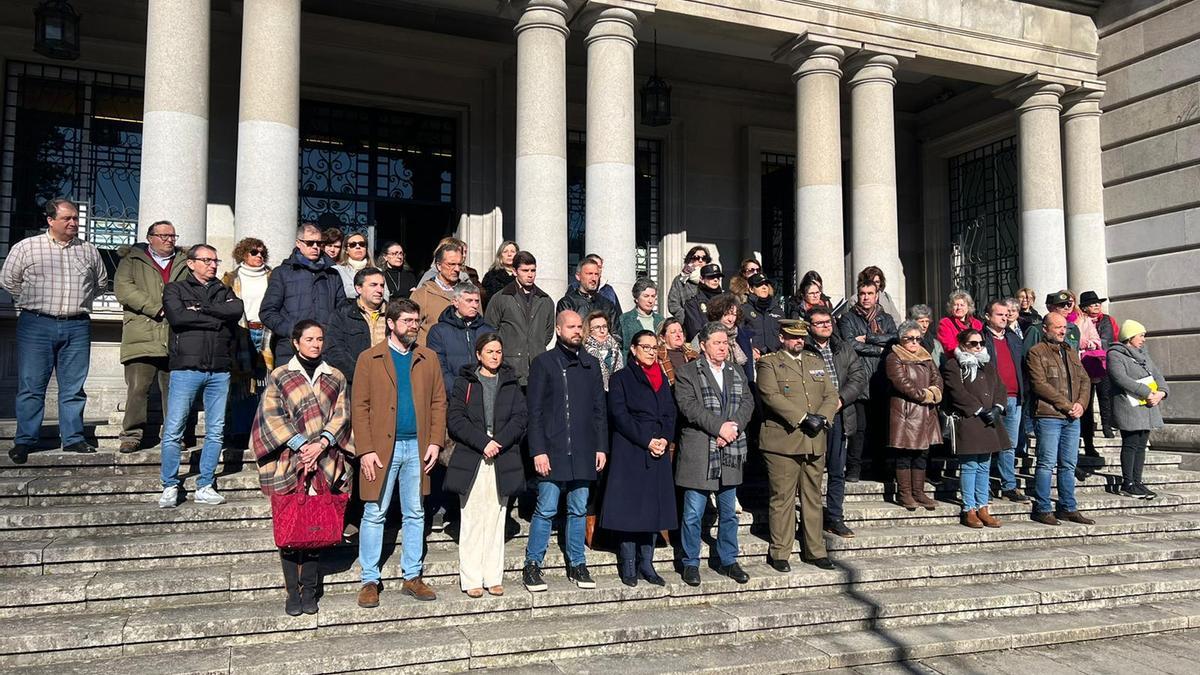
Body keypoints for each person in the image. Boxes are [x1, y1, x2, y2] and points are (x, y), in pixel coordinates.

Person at [250, 320, 354, 616]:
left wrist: (320, 444)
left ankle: (309, 590)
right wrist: (300, 445)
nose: (315, 344)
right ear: (296, 343)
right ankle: (291, 592)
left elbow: (341, 415)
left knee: (314, 527)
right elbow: (271, 414)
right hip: (288, 461)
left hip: (324, 461)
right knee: (290, 526)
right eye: (309, 339)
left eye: (319, 339)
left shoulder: (335, 376)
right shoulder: (281, 376)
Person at [352, 297, 446, 607]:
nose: (414, 327)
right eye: (407, 321)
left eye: (416, 321)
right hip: (381, 448)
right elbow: (360, 406)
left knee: (416, 512)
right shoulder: (369, 358)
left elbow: (438, 402)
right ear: (391, 323)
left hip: (417, 447)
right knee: (375, 511)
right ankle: (369, 579)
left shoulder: (427, 357)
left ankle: (412, 576)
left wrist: (435, 441)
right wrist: (365, 449)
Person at [2, 198, 107, 463]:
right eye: (67, 219)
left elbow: (101, 284)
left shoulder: (89, 251)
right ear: (50, 220)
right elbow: (8, 280)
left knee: (73, 386)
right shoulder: (27, 247)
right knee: (31, 385)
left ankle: (73, 438)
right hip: (36, 323)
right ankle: (25, 440)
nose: (73, 223)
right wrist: (32, 301)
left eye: (75, 218)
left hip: (77, 324)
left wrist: (77, 302)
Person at [522, 310, 608, 592]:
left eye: (579, 326)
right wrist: (538, 450)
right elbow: (533, 412)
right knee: (546, 508)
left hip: (583, 450)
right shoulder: (544, 363)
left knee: (578, 508)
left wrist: (601, 447)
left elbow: (599, 411)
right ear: (558, 329)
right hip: (552, 449)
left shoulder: (591, 364)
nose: (577, 331)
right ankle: (533, 564)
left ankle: (577, 563)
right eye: (570, 326)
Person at [158, 244, 245, 508]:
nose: (212, 265)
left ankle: (205, 483)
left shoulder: (224, 289)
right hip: (186, 367)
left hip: (219, 369)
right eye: (206, 260)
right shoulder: (176, 289)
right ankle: (170, 485)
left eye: (215, 260)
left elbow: (236, 311)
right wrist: (215, 315)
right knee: (174, 429)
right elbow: (178, 317)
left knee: (216, 431)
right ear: (191, 263)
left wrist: (201, 310)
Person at [445, 333, 528, 597]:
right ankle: (471, 578)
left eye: (499, 351)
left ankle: (493, 576)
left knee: (496, 516)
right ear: (478, 354)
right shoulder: (465, 382)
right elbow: (456, 419)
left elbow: (520, 418)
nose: (495, 356)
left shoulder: (511, 383)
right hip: (473, 455)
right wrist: (483, 442)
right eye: (490, 351)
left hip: (502, 456)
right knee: (471, 515)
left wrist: (498, 442)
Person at [673, 322, 756, 586]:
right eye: (717, 342)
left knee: (729, 512)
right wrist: (718, 427)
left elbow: (747, 402)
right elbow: (689, 407)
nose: (722, 347)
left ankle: (728, 559)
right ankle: (689, 562)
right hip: (700, 449)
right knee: (693, 512)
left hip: (730, 448)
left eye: (725, 343)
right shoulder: (687, 372)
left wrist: (732, 428)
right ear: (704, 345)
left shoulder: (736, 371)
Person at [757, 319, 840, 571]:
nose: (798, 341)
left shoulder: (815, 362)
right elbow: (770, 395)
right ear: (781, 337)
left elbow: (831, 394)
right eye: (793, 337)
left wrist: (824, 417)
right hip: (784, 440)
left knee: (813, 497)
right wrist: (803, 418)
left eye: (801, 337)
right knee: (782, 497)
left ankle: (815, 550)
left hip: (814, 440)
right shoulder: (769, 362)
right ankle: (780, 551)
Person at [601, 330, 677, 586]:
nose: (651, 351)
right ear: (633, 349)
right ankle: (629, 564)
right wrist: (646, 440)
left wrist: (665, 439)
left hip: (658, 449)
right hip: (631, 450)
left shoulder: (662, 379)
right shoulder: (621, 378)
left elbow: (669, 412)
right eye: (645, 347)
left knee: (653, 510)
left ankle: (648, 563)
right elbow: (619, 415)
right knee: (630, 510)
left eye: (654, 347)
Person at [113, 220, 189, 454]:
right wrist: (157, 307)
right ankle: (132, 435)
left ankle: (174, 435)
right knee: (138, 387)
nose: (169, 240)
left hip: (175, 333)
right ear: (150, 238)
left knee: (174, 389)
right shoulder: (131, 260)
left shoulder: (185, 262)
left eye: (172, 236)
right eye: (163, 235)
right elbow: (123, 290)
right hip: (142, 332)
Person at [803, 306, 868, 539]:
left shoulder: (843, 347)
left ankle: (835, 517)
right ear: (810, 327)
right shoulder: (804, 348)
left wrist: (841, 400)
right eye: (819, 323)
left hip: (840, 414)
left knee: (837, 470)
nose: (825, 326)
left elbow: (858, 375)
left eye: (828, 322)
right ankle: (811, 519)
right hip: (813, 417)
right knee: (812, 470)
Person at [1026, 312, 1094, 526]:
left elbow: (1085, 380)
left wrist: (1081, 405)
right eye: (1057, 327)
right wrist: (1066, 405)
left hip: (1072, 417)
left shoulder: (1071, 352)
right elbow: (1039, 384)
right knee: (1046, 463)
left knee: (1068, 463)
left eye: (1064, 327)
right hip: (1049, 415)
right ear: (1045, 329)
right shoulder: (1036, 352)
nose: (1063, 331)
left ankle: (1068, 507)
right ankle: (1043, 508)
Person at [942, 328, 1009, 528]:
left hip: (989, 421)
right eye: (973, 343)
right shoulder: (954, 365)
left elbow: (1000, 388)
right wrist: (979, 410)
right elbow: (957, 392)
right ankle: (968, 508)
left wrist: (997, 408)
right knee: (970, 466)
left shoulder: (987, 364)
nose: (978, 347)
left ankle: (983, 507)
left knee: (984, 466)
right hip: (970, 420)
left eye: (980, 343)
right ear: (963, 344)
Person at [837, 280, 898, 482]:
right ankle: (854, 468)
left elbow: (894, 340)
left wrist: (869, 337)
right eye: (862, 293)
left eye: (870, 293)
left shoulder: (886, 318)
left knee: (881, 426)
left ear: (877, 295)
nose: (866, 297)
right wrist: (879, 348)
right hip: (859, 378)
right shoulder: (848, 318)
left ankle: (881, 467)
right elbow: (850, 343)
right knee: (859, 428)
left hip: (881, 379)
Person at [260, 223, 343, 364]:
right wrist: (293, 331)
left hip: (325, 349)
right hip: (290, 349)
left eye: (320, 243)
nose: (316, 247)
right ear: (299, 243)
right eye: (310, 243)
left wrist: (330, 334)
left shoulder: (333, 274)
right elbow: (267, 312)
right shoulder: (282, 273)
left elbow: (341, 310)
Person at [1107, 320, 1169, 500]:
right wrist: (1147, 392)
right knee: (1131, 443)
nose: (1144, 339)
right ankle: (1128, 483)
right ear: (1130, 336)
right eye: (1141, 335)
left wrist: (1162, 393)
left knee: (1141, 444)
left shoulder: (1143, 354)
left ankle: (1137, 481)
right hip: (1129, 405)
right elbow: (1120, 378)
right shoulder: (1115, 354)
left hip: (1147, 405)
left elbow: (1157, 375)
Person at [886, 320, 943, 511]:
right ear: (901, 340)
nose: (914, 342)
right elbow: (901, 382)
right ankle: (905, 494)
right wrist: (924, 395)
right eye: (909, 338)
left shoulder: (926, 357)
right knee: (904, 453)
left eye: (918, 338)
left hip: (926, 412)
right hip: (907, 412)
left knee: (922, 453)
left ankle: (919, 492)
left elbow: (937, 377)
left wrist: (935, 392)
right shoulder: (894, 357)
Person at [222, 237, 274, 444]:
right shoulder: (230, 278)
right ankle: (240, 431)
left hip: (268, 333)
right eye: (254, 252)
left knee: (265, 383)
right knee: (242, 384)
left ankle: (262, 431)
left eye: (262, 252)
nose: (259, 256)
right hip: (241, 332)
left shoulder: (273, 277)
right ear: (243, 254)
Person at [982, 299, 1029, 503]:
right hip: (991, 398)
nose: (1004, 317)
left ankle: (1009, 485)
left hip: (1014, 397)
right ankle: (984, 485)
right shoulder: (980, 339)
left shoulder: (1014, 338)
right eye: (999, 314)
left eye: (1006, 314)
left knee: (1009, 444)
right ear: (988, 317)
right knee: (988, 443)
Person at [484, 250, 554, 386]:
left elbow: (548, 332)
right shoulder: (501, 298)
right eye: (525, 270)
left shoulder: (545, 300)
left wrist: (534, 346)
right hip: (508, 368)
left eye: (533, 270)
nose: (530, 275)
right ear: (515, 271)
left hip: (537, 367)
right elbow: (490, 330)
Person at [428, 283, 495, 396]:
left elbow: (494, 361)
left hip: (482, 393)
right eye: (469, 301)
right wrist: (457, 390)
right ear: (455, 302)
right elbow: (438, 366)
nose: (474, 305)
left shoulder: (487, 331)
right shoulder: (439, 331)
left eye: (476, 301)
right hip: (452, 395)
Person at [324, 268, 389, 385]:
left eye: (382, 285)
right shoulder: (342, 315)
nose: (379, 290)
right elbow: (335, 351)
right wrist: (361, 375)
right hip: (355, 382)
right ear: (359, 288)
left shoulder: (394, 314)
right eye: (373, 285)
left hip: (388, 381)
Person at [1079, 290, 1119, 440]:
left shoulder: (1108, 320)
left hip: (1104, 363)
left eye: (1098, 303)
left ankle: (1107, 427)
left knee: (1106, 396)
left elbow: (1114, 339)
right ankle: (1086, 429)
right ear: (1084, 308)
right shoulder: (1080, 321)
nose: (1097, 305)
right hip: (1085, 364)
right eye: (1092, 304)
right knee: (1086, 398)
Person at [411, 242, 465, 347]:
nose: (457, 269)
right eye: (451, 264)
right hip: (432, 357)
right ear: (439, 266)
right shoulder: (422, 294)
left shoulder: (470, 293)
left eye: (460, 264)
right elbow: (409, 328)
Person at [557, 257, 620, 339]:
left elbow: (616, 335)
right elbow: (565, 335)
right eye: (589, 274)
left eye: (596, 274)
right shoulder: (567, 303)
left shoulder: (607, 304)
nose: (594, 278)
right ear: (578, 276)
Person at [700, 292, 755, 385]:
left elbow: (748, 371)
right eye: (727, 314)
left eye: (734, 314)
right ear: (717, 314)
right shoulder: (705, 334)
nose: (731, 319)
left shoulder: (742, 337)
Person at [742, 274, 783, 359]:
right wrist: (750, 349)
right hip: (754, 356)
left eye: (766, 284)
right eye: (759, 285)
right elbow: (739, 335)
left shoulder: (777, 309)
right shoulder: (744, 310)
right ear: (751, 289)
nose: (764, 287)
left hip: (776, 356)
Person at [582, 310, 624, 391]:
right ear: (589, 330)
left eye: (604, 326)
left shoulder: (615, 348)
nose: (602, 331)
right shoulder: (584, 351)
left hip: (615, 392)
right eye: (597, 327)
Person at [667, 245, 711, 322]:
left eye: (704, 258)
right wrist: (688, 318)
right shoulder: (680, 280)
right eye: (696, 258)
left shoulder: (711, 279)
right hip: (688, 324)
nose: (700, 261)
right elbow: (673, 305)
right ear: (689, 260)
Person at [618, 277, 663, 349]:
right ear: (636, 298)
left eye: (653, 296)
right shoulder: (624, 320)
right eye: (646, 296)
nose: (650, 300)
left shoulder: (661, 320)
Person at [683, 263, 725, 341]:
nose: (716, 280)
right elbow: (695, 331)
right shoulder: (692, 304)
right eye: (711, 277)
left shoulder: (726, 301)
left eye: (718, 277)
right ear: (702, 279)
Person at [936, 290, 984, 355]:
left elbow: (982, 343)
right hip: (956, 359)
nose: (959, 308)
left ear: (968, 307)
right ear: (951, 307)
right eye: (955, 305)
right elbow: (949, 346)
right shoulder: (945, 323)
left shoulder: (977, 323)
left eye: (962, 305)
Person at [333, 232, 378, 300]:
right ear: (346, 250)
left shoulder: (378, 271)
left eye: (362, 244)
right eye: (353, 245)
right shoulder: (337, 271)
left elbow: (385, 295)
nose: (358, 247)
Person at [656, 317, 699, 386]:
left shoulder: (694, 355)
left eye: (681, 331)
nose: (678, 335)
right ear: (662, 338)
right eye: (673, 332)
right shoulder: (657, 357)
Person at [481, 239, 519, 306]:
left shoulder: (522, 275)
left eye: (512, 251)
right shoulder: (491, 276)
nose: (509, 254)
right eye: (505, 252)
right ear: (500, 256)